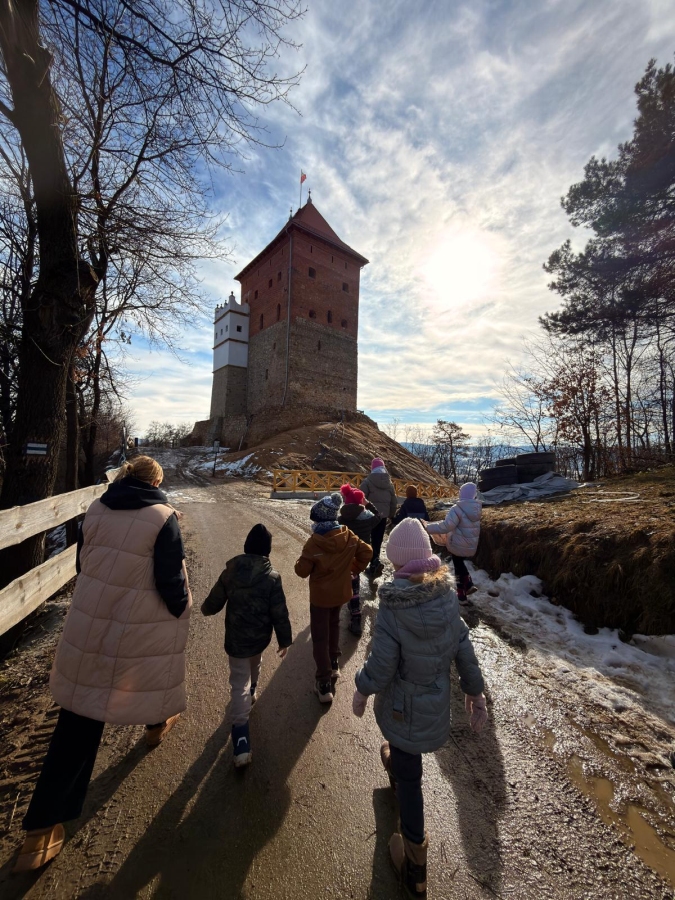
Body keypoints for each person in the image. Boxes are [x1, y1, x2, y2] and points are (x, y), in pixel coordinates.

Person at [13, 455, 191, 873]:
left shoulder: (96, 507)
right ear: (156, 482)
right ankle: (155, 726)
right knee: (149, 670)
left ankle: (40, 832)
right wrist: (181, 606)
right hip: (133, 623)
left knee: (80, 714)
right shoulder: (163, 517)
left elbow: (83, 563)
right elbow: (170, 581)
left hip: (90, 620)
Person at [352, 518, 487, 898]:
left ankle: (415, 866)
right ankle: (397, 769)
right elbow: (464, 647)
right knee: (406, 758)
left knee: (411, 780)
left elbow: (382, 665)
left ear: (398, 561)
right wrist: (475, 692)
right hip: (435, 703)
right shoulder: (446, 596)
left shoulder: (394, 605)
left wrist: (361, 687)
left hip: (402, 706)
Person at [201, 524, 292, 767]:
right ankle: (251, 693)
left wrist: (205, 609)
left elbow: (214, 601)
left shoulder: (231, 572)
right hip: (259, 638)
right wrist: (284, 640)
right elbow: (279, 612)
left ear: (246, 547)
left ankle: (241, 740)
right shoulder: (272, 578)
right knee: (255, 663)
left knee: (238, 682)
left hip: (236, 639)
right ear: (267, 551)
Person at [295, 493, 372, 703]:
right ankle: (334, 664)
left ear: (319, 520)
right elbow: (367, 552)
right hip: (340, 593)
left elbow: (301, 571)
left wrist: (301, 561)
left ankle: (323, 682)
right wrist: (353, 569)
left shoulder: (314, 543)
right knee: (334, 624)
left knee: (320, 636)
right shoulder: (348, 536)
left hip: (320, 598)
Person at [425, 482, 482, 602]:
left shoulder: (457, 509)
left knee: (458, 566)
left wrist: (428, 528)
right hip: (471, 544)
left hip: (457, 543)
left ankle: (463, 592)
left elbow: (447, 526)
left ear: (461, 494)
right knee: (459, 564)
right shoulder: (476, 509)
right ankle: (467, 585)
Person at [338, 483, 381, 636]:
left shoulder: (341, 519)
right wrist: (368, 504)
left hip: (347, 554)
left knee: (351, 580)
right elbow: (379, 515)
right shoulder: (368, 519)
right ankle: (355, 612)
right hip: (363, 555)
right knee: (354, 579)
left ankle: (353, 612)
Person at [360, 458, 397, 576]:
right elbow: (394, 501)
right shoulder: (389, 483)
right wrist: (391, 514)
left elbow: (361, 497)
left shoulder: (367, 481)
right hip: (383, 516)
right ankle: (375, 560)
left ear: (372, 468)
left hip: (370, 516)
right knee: (378, 539)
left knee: (368, 537)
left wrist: (360, 512)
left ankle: (370, 561)